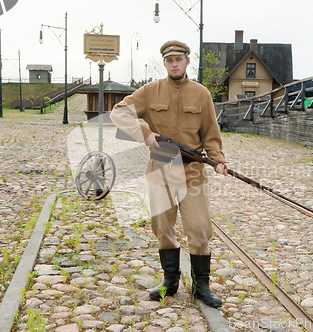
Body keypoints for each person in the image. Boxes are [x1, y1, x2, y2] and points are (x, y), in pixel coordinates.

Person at [110, 40, 228, 308]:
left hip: (193, 170)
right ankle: (170, 281)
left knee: (198, 226)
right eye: (169, 60)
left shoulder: (201, 94)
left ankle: (202, 286)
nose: (174, 64)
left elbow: (211, 134)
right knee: (162, 226)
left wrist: (219, 160)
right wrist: (144, 134)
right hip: (161, 167)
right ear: (165, 63)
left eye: (179, 59)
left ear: (187, 61)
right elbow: (119, 113)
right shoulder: (150, 91)